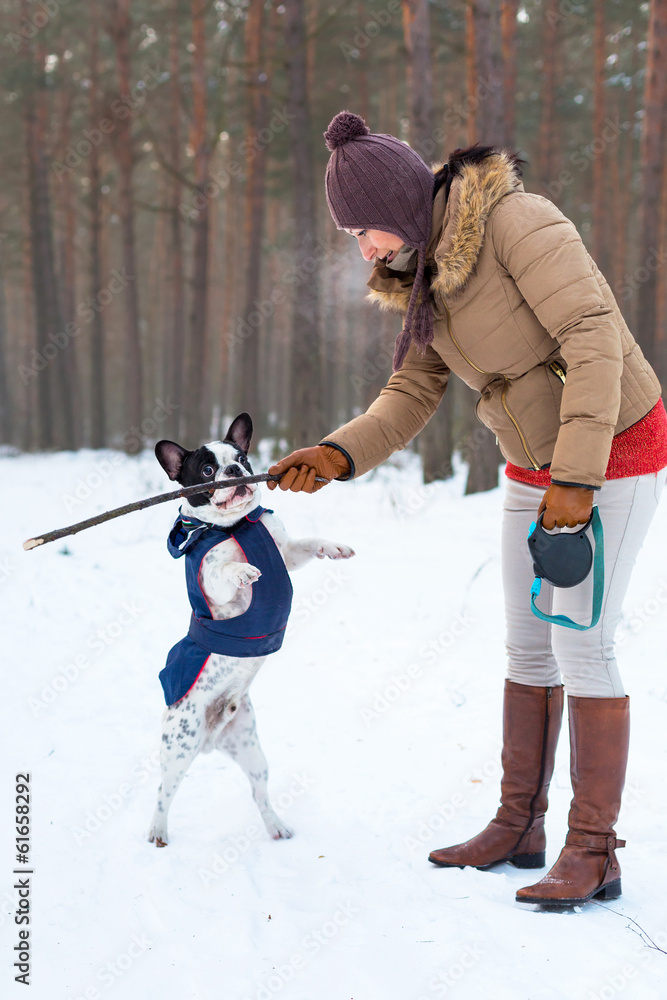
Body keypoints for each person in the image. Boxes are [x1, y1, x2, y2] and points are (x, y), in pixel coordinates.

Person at [267, 110, 667, 906]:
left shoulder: (518, 222)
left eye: (362, 230)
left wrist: (577, 481)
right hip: (531, 464)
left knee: (581, 643)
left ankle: (594, 852)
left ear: (396, 204)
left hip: (611, 446)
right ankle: (520, 824)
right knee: (528, 647)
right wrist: (337, 453)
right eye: (351, 237)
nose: (362, 249)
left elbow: (592, 338)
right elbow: (411, 391)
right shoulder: (417, 276)